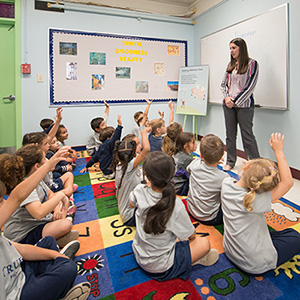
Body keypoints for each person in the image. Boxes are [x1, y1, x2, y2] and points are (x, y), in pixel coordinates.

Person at [0, 149, 91, 300]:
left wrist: (56, 255)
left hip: (21, 270)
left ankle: (54, 276)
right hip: (18, 294)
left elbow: (20, 249)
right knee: (68, 269)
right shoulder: (22, 190)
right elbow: (17, 198)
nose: (5, 202)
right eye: (1, 200)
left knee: (49, 243)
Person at [130, 152, 219, 281]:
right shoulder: (175, 204)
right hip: (160, 268)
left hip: (138, 252)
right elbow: (191, 235)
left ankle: (187, 258)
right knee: (204, 243)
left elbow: (131, 205)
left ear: (147, 176)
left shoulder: (139, 190)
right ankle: (190, 261)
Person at [221, 133, 300, 274]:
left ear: (245, 168)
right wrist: (279, 152)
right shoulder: (255, 199)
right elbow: (287, 182)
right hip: (255, 263)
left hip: (230, 250)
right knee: (295, 237)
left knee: (282, 233)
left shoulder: (226, 184)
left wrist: (251, 167)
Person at [2, 145, 78, 247]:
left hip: (39, 222)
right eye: (45, 158)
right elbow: (38, 213)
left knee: (61, 207)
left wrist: (57, 208)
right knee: (65, 225)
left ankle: (56, 238)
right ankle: (52, 240)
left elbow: (50, 194)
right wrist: (61, 195)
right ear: (37, 166)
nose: (47, 160)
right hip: (23, 234)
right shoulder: (26, 186)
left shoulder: (36, 179)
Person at [221, 38, 260, 171]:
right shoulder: (230, 65)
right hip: (228, 106)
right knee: (230, 135)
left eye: (233, 48)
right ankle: (230, 161)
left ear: (241, 48)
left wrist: (235, 101)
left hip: (244, 106)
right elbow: (224, 85)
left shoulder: (252, 64)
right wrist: (226, 98)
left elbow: (250, 87)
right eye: (230, 48)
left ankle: (254, 164)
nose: (231, 51)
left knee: (247, 135)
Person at [111, 127, 151, 226]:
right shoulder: (130, 165)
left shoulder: (120, 165)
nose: (139, 146)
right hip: (130, 217)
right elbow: (146, 150)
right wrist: (144, 132)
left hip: (126, 212)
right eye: (136, 144)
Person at [187, 134, 229, 225]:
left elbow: (188, 169)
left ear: (201, 155)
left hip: (191, 209)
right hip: (210, 218)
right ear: (222, 155)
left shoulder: (195, 164)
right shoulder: (223, 177)